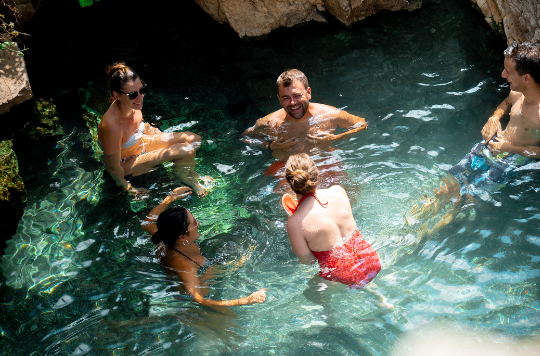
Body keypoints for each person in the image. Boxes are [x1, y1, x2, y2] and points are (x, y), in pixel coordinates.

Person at [409, 43, 540, 231]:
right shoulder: (518, 91)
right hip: (488, 147)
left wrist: (510, 148)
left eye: (508, 72)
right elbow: (505, 103)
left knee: (464, 201)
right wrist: (494, 118)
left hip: (507, 162)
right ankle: (409, 224)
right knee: (448, 185)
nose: (503, 74)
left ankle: (423, 237)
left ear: (526, 78)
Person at [283, 153, 390, 307]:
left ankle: (329, 314)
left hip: (342, 275)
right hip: (370, 259)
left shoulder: (295, 222)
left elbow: (308, 262)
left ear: (290, 183)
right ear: (317, 174)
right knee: (361, 276)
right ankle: (381, 299)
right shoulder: (338, 191)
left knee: (311, 290)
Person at [140, 186, 267, 309]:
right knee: (232, 319)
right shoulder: (185, 266)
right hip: (188, 298)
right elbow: (200, 300)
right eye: (194, 223)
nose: (198, 223)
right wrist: (246, 300)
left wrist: (170, 198)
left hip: (195, 276)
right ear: (182, 237)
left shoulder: (164, 235)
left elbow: (146, 223)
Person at [98, 62, 209, 199]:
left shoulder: (132, 105)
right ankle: (186, 177)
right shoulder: (112, 125)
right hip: (126, 163)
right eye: (132, 94)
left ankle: (186, 172)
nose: (140, 98)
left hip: (141, 145)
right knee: (186, 150)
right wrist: (128, 187)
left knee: (194, 140)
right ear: (117, 95)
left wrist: (163, 139)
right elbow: (112, 167)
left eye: (142, 90)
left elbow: (143, 127)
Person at [242, 68, 368, 161]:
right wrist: (270, 145)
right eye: (286, 98)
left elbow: (362, 124)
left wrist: (336, 138)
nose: (292, 102)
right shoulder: (270, 122)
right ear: (279, 99)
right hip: (286, 167)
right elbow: (246, 136)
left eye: (297, 95)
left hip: (323, 161)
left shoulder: (330, 114)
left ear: (308, 93)